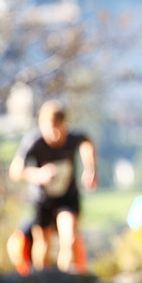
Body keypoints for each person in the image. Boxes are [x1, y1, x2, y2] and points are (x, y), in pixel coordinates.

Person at [9, 100, 97, 273]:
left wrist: (90, 169)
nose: (55, 135)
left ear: (64, 125)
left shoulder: (72, 139)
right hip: (43, 199)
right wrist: (38, 174)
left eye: (59, 129)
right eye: (50, 129)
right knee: (43, 242)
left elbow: (88, 143)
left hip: (67, 197)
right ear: (41, 125)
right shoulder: (34, 142)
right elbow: (15, 171)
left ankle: (64, 280)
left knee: (69, 238)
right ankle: (42, 281)